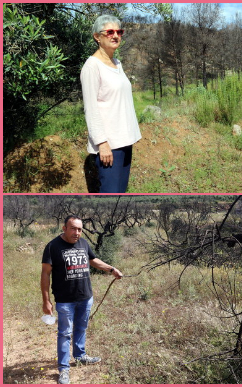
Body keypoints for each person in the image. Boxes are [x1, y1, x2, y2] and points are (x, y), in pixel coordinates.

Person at [41, 215, 123, 384]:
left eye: (79, 229)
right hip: (65, 300)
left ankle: (80, 356)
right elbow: (45, 273)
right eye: (73, 228)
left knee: (81, 328)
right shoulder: (52, 247)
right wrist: (46, 300)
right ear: (64, 228)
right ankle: (63, 369)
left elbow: (92, 260)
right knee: (64, 334)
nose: (77, 233)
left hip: (85, 297)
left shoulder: (84, 243)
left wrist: (111, 269)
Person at [81, 15, 141, 193]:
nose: (115, 35)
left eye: (119, 32)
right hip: (109, 146)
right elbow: (90, 109)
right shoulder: (92, 67)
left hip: (125, 140)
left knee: (120, 193)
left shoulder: (117, 63)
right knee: (110, 192)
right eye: (109, 32)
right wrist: (102, 143)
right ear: (97, 37)